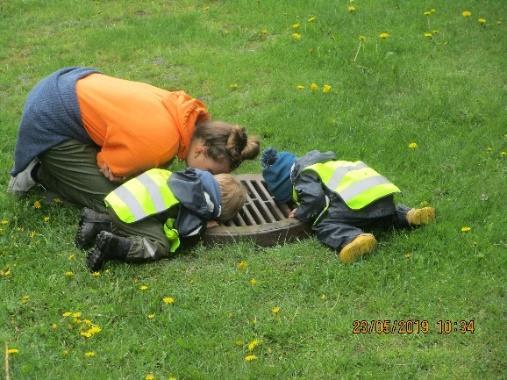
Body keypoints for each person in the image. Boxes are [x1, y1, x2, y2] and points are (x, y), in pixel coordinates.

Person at [7, 67, 259, 212]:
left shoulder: (184, 115)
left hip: (66, 82)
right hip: (51, 114)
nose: (210, 179)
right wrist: (123, 170)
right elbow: (107, 164)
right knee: (116, 201)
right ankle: (39, 172)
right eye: (212, 173)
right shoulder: (163, 144)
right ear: (202, 150)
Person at [261, 148, 436, 263]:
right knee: (382, 214)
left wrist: (301, 212)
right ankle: (409, 215)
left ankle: (353, 238)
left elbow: (314, 199)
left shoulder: (303, 175)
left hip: (358, 205)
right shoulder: (326, 164)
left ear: (288, 182)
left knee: (324, 224)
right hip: (381, 195)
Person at [75, 167, 246, 271]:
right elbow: (184, 236)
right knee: (161, 244)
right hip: (129, 213)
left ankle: (96, 221)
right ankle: (116, 247)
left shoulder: (188, 176)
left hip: (118, 200)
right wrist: (204, 226)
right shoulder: (200, 205)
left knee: (142, 222)